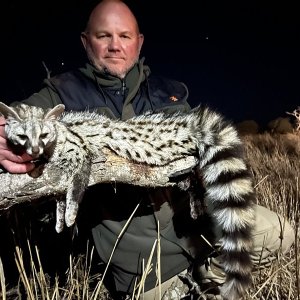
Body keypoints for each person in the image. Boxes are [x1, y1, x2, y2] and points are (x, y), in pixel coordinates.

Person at [0, 0, 295, 299]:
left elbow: (208, 143)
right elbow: (16, 117)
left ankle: (210, 278)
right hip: (144, 262)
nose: (115, 45)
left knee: (281, 234)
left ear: (138, 42)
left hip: (194, 227)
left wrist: (204, 170)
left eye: (124, 36)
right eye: (104, 36)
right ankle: (185, 286)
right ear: (85, 41)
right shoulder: (60, 94)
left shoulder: (168, 90)